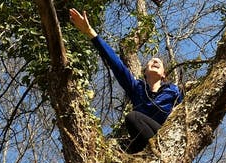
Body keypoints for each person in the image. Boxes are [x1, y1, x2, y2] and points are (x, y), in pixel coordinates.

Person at [69, 8, 183, 153]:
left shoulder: (173, 91)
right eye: (151, 61)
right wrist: (91, 33)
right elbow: (117, 65)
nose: (154, 60)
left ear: (163, 75)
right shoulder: (138, 89)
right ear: (144, 72)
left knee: (132, 116)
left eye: (158, 62)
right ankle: (149, 152)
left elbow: (186, 114)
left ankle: (159, 152)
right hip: (144, 142)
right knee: (121, 144)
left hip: (166, 139)